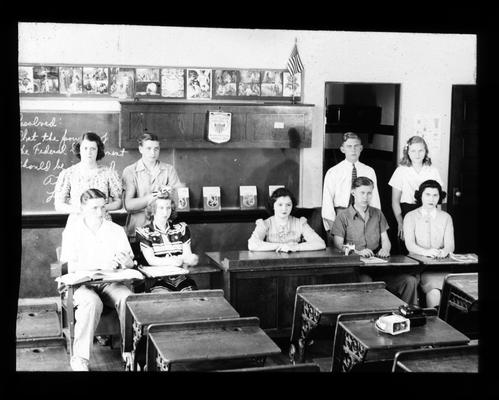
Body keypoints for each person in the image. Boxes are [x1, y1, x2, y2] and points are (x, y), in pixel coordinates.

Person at [60, 188, 135, 371]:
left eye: (103, 207)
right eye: (94, 208)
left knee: (128, 299)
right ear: (83, 208)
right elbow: (70, 266)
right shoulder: (72, 231)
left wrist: (127, 262)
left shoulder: (116, 230)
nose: (100, 213)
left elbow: (129, 262)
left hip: (109, 282)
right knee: (91, 302)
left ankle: (130, 351)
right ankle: (80, 359)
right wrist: (99, 263)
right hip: (81, 285)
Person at [331, 176, 419, 305]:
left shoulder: (378, 214)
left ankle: (406, 317)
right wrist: (357, 252)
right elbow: (338, 245)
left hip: (378, 266)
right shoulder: (342, 216)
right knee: (366, 280)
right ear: (353, 192)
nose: (365, 197)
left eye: (369, 193)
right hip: (355, 268)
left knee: (409, 281)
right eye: (362, 193)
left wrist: (386, 249)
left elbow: (386, 240)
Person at [122, 133, 183, 258]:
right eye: (148, 148)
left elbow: (177, 201)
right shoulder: (130, 171)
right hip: (137, 229)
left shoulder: (169, 170)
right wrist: (152, 198)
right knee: (140, 268)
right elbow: (129, 205)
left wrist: (168, 197)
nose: (153, 153)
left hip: (164, 231)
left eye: (156, 149)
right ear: (140, 149)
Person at [403, 180, 454, 309]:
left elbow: (450, 245)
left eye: (435, 195)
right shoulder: (410, 216)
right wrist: (427, 252)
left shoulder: (446, 217)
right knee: (432, 291)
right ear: (420, 196)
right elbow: (410, 245)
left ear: (440, 197)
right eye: (427, 194)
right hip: (417, 265)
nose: (431, 199)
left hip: (438, 266)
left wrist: (444, 252)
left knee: (440, 291)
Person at [54, 132, 122, 228]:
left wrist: (100, 208)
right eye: (85, 148)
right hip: (77, 223)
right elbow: (59, 205)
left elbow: (118, 203)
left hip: (102, 221)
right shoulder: (68, 174)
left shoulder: (109, 174)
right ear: (79, 150)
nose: (88, 152)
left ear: (98, 151)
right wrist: (81, 209)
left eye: (93, 149)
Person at [135, 191, 198, 292]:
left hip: (181, 279)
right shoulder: (144, 232)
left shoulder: (182, 228)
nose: (165, 212)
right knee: (164, 302)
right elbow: (152, 260)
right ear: (153, 209)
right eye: (161, 208)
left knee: (192, 299)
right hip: (156, 281)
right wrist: (176, 260)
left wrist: (191, 259)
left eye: (168, 208)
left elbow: (187, 255)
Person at [322, 132, 381, 234]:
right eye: (349, 146)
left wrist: (374, 224)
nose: (353, 149)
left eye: (356, 146)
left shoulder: (369, 171)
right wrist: (334, 229)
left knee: (363, 249)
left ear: (361, 148)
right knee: (340, 249)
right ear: (342, 149)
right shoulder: (333, 172)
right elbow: (327, 202)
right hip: (340, 217)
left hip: (363, 217)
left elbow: (374, 200)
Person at [389, 135, 443, 245]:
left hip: (428, 212)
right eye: (413, 151)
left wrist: (438, 220)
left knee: (428, 244)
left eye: (420, 150)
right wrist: (400, 222)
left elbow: (439, 200)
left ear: (426, 151)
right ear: (407, 152)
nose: (417, 154)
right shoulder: (401, 171)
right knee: (409, 246)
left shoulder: (433, 171)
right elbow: (395, 201)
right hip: (407, 211)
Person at [248, 187, 326, 252]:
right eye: (280, 205)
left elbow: (320, 243)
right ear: (273, 206)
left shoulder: (300, 223)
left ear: (292, 206)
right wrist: (281, 246)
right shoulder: (265, 224)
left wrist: (295, 247)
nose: (284, 209)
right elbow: (252, 244)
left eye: (288, 205)